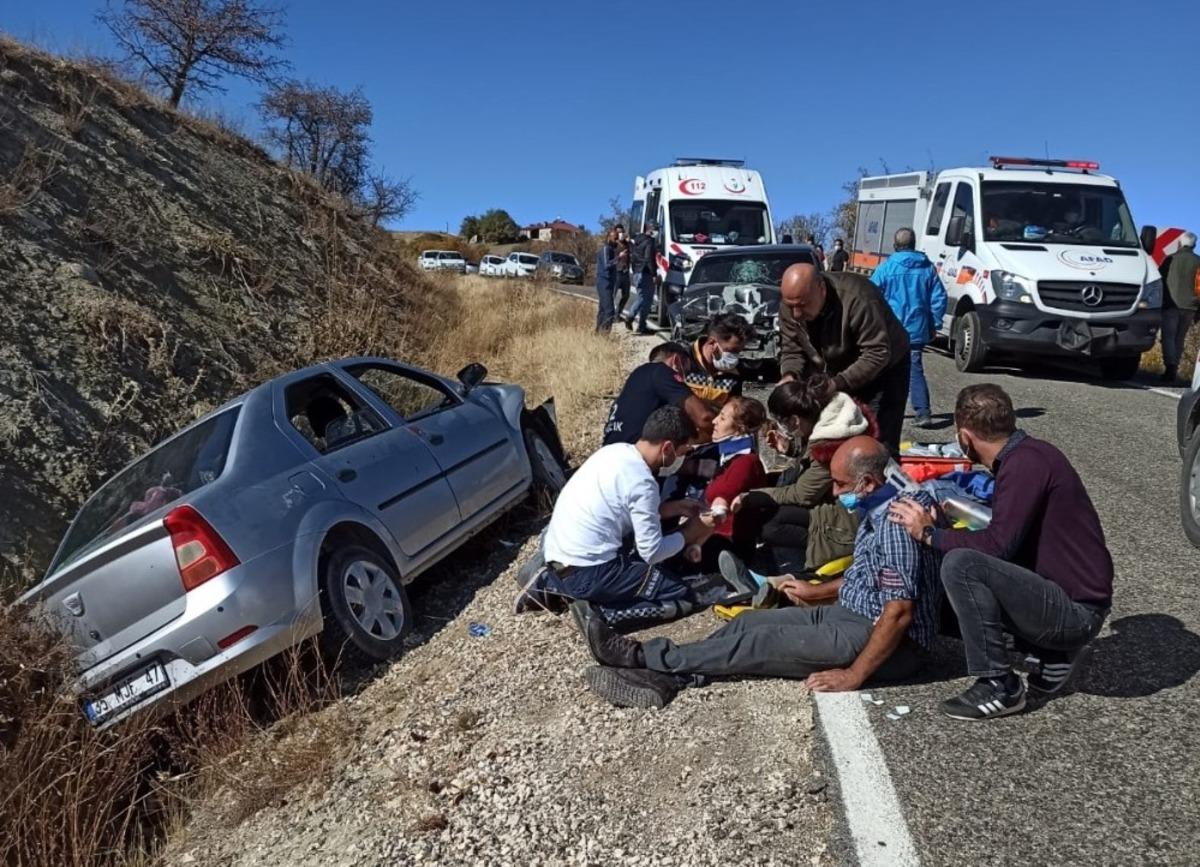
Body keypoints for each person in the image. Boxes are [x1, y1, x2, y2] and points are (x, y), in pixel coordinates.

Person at [576, 437, 943, 708]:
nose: (834, 493)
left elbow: (899, 611)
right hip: (854, 613)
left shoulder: (897, 521)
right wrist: (818, 592)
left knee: (759, 644)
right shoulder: (885, 498)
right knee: (747, 624)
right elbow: (873, 574)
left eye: (841, 485)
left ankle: (643, 658)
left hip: (886, 640)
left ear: (868, 483)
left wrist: (854, 675)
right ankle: (674, 675)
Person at [889, 384, 1114, 721]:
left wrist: (930, 535)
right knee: (944, 593)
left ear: (964, 436)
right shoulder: (1031, 455)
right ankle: (1050, 652)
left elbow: (998, 546)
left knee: (960, 566)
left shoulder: (1025, 466)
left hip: (1075, 612)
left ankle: (1000, 685)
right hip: (1065, 597)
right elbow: (1009, 541)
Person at [515, 407, 752, 624]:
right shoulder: (642, 482)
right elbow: (653, 552)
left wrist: (672, 508)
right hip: (588, 571)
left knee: (642, 558)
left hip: (561, 554)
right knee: (680, 595)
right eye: (683, 452)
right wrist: (692, 530)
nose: (682, 460)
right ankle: (599, 613)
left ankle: (551, 584)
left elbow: (619, 511)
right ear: (667, 448)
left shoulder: (615, 452)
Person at [731, 375, 877, 575]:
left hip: (851, 518)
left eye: (781, 421)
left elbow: (803, 494)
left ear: (794, 420)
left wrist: (753, 497)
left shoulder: (829, 446)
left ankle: (822, 548)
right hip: (846, 502)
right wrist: (791, 448)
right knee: (783, 486)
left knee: (771, 522)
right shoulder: (834, 417)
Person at [778, 263, 911, 452]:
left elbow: (877, 353)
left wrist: (837, 383)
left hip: (885, 367)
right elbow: (792, 349)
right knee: (831, 434)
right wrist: (789, 374)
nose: (796, 314)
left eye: (802, 305)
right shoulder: (791, 304)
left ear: (821, 289)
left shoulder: (858, 298)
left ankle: (879, 475)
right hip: (835, 367)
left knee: (876, 440)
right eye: (790, 306)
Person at [869, 227, 948, 427]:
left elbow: (870, 295)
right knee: (914, 370)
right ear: (914, 245)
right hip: (918, 329)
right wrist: (934, 322)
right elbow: (939, 298)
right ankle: (923, 412)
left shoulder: (886, 268)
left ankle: (880, 413)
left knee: (884, 370)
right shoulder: (927, 268)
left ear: (895, 245)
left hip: (890, 330)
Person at [603, 342, 714, 445]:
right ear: (676, 361)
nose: (686, 378)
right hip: (632, 455)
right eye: (686, 370)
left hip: (609, 452)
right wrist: (726, 431)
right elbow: (704, 418)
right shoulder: (661, 371)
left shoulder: (639, 377)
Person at [686, 313, 753, 408]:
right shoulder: (683, 361)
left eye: (738, 352)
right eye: (732, 351)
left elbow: (732, 410)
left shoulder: (734, 374)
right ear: (712, 343)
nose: (734, 358)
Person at [1159, 231, 1199, 383]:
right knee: (1179, 338)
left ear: (1180, 244)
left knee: (1168, 337)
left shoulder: (1170, 259)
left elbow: (1160, 281)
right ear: (1194, 245)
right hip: (1190, 306)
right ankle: (1174, 368)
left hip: (1171, 305)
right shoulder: (1198, 262)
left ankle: (1170, 367)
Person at [622, 221, 660, 334]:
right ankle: (630, 317)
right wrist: (654, 274)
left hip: (637, 272)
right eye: (656, 229)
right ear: (651, 229)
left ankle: (642, 326)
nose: (658, 232)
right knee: (644, 298)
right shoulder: (649, 241)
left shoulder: (637, 240)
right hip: (645, 272)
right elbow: (648, 258)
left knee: (645, 299)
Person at [594, 228, 619, 332]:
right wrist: (618, 258)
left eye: (617, 238)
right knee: (609, 311)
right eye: (615, 238)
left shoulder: (611, 250)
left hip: (609, 282)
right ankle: (604, 334)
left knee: (603, 309)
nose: (616, 241)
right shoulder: (605, 249)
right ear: (609, 237)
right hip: (604, 282)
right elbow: (606, 264)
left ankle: (598, 333)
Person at [614, 226, 632, 317]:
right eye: (618, 233)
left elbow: (633, 252)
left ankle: (618, 313)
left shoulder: (627, 244)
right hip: (616, 272)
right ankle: (610, 314)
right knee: (613, 294)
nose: (620, 234)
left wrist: (629, 240)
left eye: (622, 232)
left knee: (626, 295)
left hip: (625, 272)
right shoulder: (613, 244)